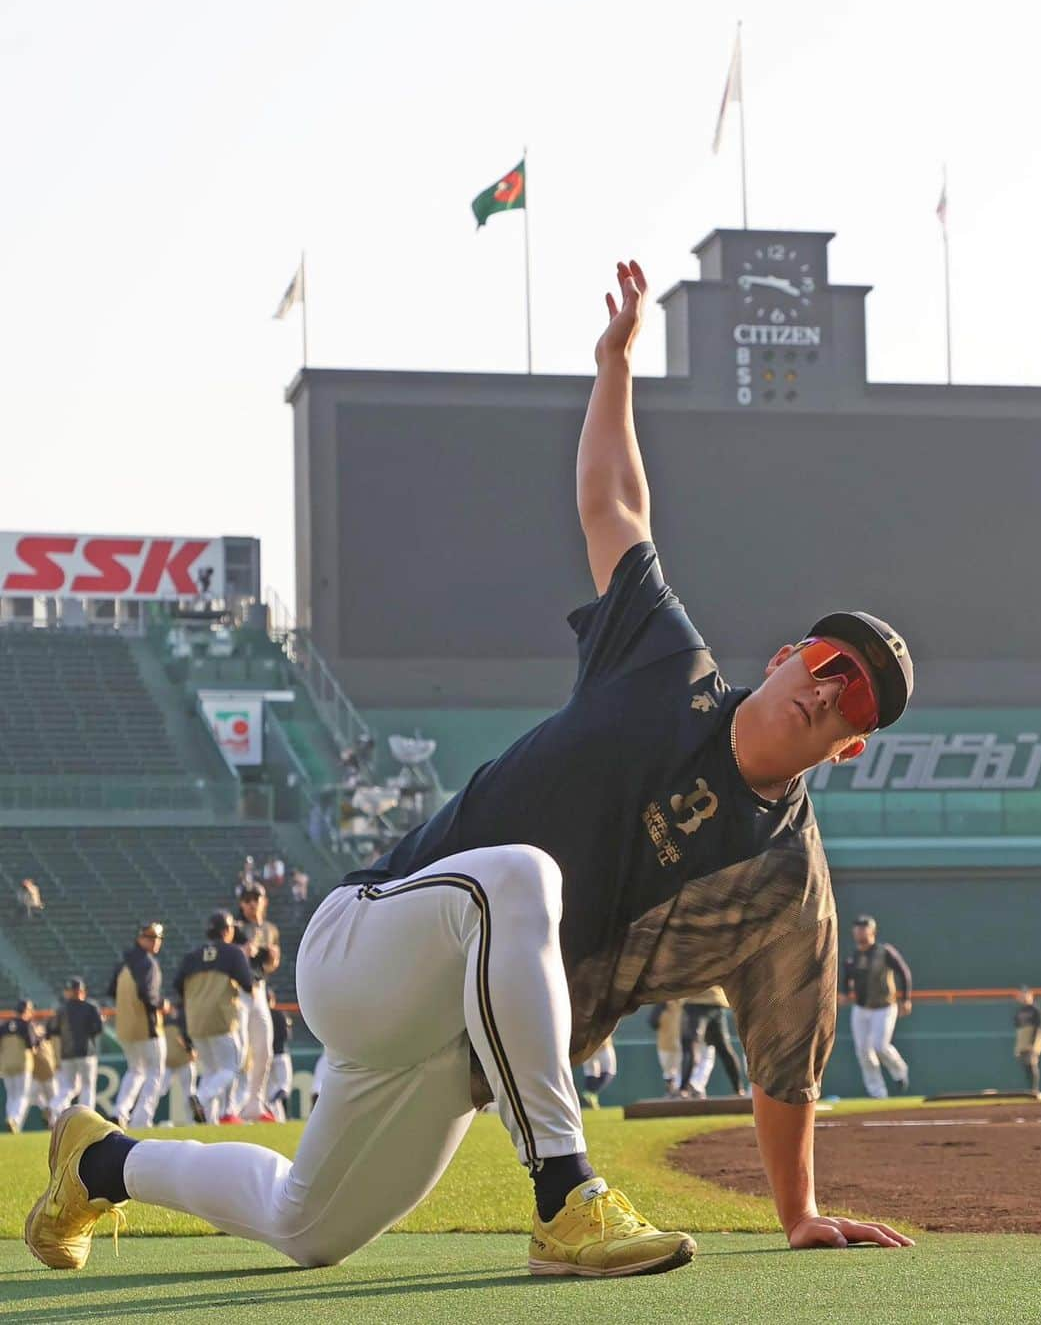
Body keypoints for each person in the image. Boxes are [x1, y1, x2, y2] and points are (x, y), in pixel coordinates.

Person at [26, 258, 915, 1275]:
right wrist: (616, 364)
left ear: (850, 744)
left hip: (454, 1056)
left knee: (306, 1224)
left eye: (857, 706)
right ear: (789, 654)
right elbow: (614, 505)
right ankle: (567, 1196)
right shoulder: (668, 665)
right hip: (371, 944)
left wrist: (798, 1210)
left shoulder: (785, 878)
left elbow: (788, 1059)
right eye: (832, 665)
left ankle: (100, 1162)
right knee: (523, 875)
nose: (833, 692)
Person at [173, 912, 254, 1125]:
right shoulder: (233, 953)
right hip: (221, 1020)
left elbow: (177, 987)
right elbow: (247, 983)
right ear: (227, 931)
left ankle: (205, 1121)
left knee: (210, 1071)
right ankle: (199, 1098)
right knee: (230, 1069)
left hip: (195, 1022)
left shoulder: (191, 956)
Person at [841, 916, 912, 1099]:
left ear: (872, 931)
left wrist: (906, 999)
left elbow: (904, 972)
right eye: (857, 930)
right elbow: (846, 978)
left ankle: (900, 1071)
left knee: (880, 1046)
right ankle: (878, 1093)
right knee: (863, 1051)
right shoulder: (853, 957)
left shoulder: (884, 951)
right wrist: (845, 993)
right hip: (861, 1008)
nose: (860, 933)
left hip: (884, 1007)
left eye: (863, 929)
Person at [107, 922, 167, 1130]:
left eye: (157, 938)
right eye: (151, 938)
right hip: (146, 1027)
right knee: (155, 1072)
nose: (155, 942)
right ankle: (142, 1118)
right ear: (141, 939)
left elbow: (110, 990)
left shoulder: (123, 961)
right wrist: (162, 1003)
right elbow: (149, 996)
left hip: (124, 1027)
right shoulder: (148, 963)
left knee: (135, 1071)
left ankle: (119, 1112)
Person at [231, 883, 281, 1122]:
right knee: (240, 1050)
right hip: (238, 992)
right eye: (247, 899)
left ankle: (255, 1103)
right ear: (241, 903)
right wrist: (241, 951)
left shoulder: (270, 929)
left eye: (256, 898)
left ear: (264, 901)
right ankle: (232, 1105)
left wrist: (271, 958)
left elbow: (270, 965)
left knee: (264, 1049)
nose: (252, 903)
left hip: (259, 989)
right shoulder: (235, 927)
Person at [680, 987, 747, 1099]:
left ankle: (684, 1089)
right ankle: (738, 1089)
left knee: (695, 1046)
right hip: (708, 1002)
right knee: (719, 1048)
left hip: (703, 1003)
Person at [50, 979, 104, 1115]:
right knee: (87, 1087)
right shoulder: (90, 1007)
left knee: (69, 1087)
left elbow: (53, 1031)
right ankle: (86, 1117)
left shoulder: (61, 1010)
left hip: (67, 1054)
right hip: (86, 1053)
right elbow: (98, 1028)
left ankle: (55, 1105)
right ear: (82, 991)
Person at [161, 1004, 205, 1125]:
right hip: (183, 1059)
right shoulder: (185, 1015)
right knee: (189, 1092)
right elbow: (182, 1036)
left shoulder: (164, 1018)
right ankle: (192, 1121)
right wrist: (190, 1049)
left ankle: (139, 1120)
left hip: (168, 1060)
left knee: (158, 1090)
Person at [2, 1000, 40, 1133]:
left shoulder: (4, 1026)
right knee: (22, 1096)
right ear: (27, 1011)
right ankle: (15, 1120)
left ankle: (11, 1120)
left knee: (11, 1096)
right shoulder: (26, 1025)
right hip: (22, 1064)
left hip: (6, 1065)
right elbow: (32, 1046)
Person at [266, 988, 293, 1122]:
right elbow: (287, 1035)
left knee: (271, 1090)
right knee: (283, 1087)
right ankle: (284, 1117)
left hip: (267, 1057)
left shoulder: (259, 1017)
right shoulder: (279, 1014)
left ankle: (278, 1117)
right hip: (281, 1055)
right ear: (272, 999)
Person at [650, 1001, 684, 1097]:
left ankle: (679, 1093)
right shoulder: (661, 1005)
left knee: (678, 1070)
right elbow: (653, 1022)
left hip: (680, 1044)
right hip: (665, 1045)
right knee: (669, 1071)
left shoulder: (684, 1003)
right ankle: (672, 1092)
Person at [1013, 988, 1041, 1092]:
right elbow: (1018, 1030)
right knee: (1026, 1067)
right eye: (1022, 996)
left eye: (1025, 995)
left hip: (1032, 1043)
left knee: (1032, 1065)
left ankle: (1035, 1089)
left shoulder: (1035, 1010)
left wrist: (1033, 1043)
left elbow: (1038, 1027)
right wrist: (1018, 1046)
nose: (1023, 998)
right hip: (1023, 1043)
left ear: (1031, 996)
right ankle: (1030, 1089)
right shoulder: (1019, 1011)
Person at [31, 1031, 61, 1130]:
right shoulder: (40, 1043)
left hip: (48, 1074)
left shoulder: (47, 1042)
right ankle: (49, 1113)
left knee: (54, 1099)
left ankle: (54, 1121)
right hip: (41, 1075)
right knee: (37, 1098)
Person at [580, 1034, 616, 1109]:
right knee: (604, 1072)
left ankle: (590, 1096)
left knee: (595, 1072)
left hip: (595, 1046)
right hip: (591, 1045)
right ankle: (590, 1095)